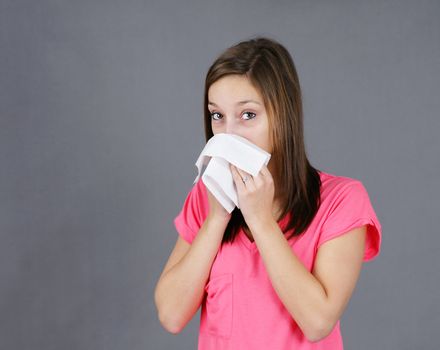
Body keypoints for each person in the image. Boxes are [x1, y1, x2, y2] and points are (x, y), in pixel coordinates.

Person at [154, 36, 382, 349]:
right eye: (217, 116)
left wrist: (260, 220)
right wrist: (217, 218)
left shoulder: (342, 201)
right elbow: (171, 315)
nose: (229, 134)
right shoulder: (205, 199)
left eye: (248, 115)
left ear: (283, 115)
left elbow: (318, 322)